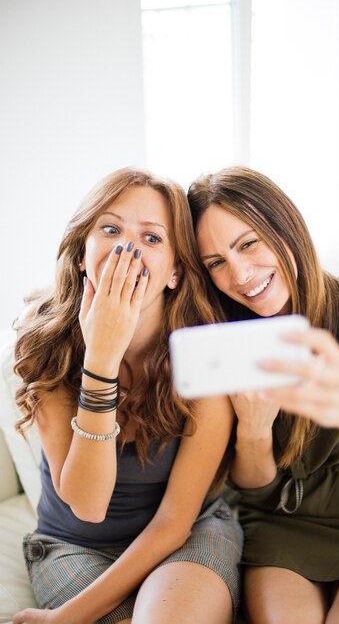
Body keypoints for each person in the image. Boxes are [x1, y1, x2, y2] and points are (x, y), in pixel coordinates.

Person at [12, 167, 243, 624]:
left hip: (186, 533)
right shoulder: (46, 343)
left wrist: (66, 618)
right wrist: (101, 357)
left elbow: (173, 524)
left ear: (176, 271)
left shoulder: (203, 353)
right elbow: (88, 504)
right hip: (75, 544)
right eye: (111, 229)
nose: (128, 248)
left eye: (153, 238)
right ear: (83, 253)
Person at [187, 165, 339, 624]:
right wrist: (253, 428)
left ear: (285, 225)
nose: (240, 274)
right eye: (216, 263)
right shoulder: (226, 338)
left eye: (248, 243)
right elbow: (254, 487)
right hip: (281, 524)